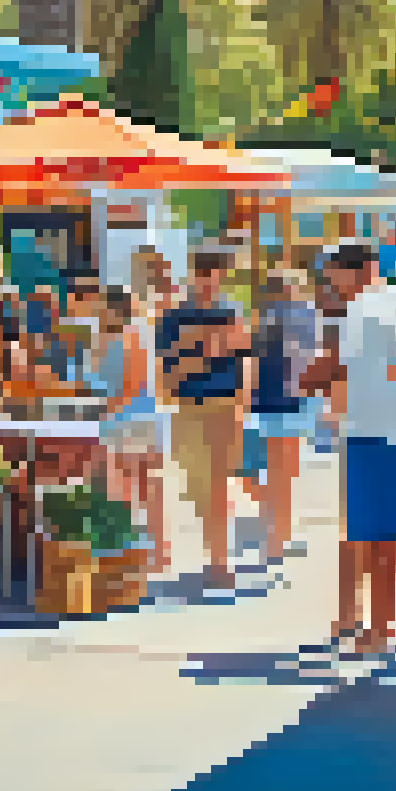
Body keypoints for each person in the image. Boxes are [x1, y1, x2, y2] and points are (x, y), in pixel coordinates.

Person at [312, 245, 396, 655]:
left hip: (369, 431)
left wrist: (315, 382)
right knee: (388, 537)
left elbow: (347, 368)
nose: (332, 288)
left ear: (360, 270)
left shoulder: (360, 312)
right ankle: (375, 622)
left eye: (335, 278)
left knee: (368, 533)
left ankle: (373, 628)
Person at [159, 250, 255, 590]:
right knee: (198, 485)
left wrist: (242, 403)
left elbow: (243, 357)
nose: (209, 278)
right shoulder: (174, 315)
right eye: (203, 271)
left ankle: (219, 561)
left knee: (217, 482)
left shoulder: (231, 313)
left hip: (224, 405)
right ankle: (215, 556)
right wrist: (201, 351)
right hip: (188, 405)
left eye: (214, 272)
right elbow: (167, 372)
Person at [247, 272, 319, 564]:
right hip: (289, 401)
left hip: (272, 402)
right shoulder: (301, 318)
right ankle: (277, 541)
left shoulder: (263, 320)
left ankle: (278, 537)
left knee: (279, 475)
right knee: (283, 475)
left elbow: (251, 364)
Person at [95, 287, 169, 569]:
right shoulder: (129, 337)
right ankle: (151, 551)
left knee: (134, 487)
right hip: (136, 419)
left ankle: (152, 552)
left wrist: (103, 408)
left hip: (132, 421)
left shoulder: (130, 338)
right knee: (140, 487)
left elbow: (131, 384)